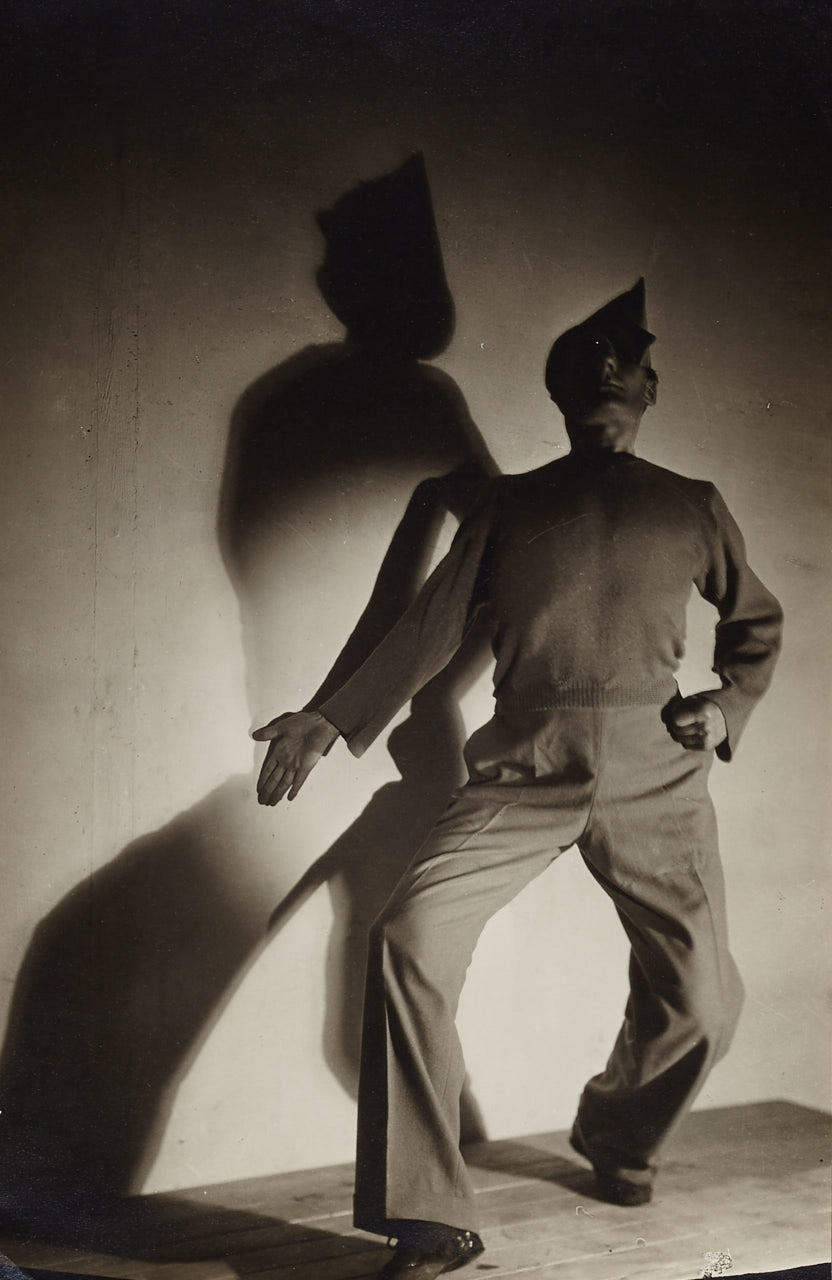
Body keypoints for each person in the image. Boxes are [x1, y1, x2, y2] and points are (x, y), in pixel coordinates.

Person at [253, 280, 783, 1279]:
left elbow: (756, 623)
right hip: (521, 767)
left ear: (651, 387)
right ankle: (427, 1219)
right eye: (586, 362)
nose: (606, 377)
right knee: (407, 936)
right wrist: (329, 717)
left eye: (624, 364)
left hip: (654, 778)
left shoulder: (693, 505)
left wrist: (725, 704)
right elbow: (428, 623)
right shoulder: (506, 503)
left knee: (705, 1001)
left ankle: (617, 1134)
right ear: (559, 390)